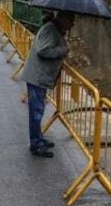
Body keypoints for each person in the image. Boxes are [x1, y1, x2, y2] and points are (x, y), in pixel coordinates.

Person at [20, 11, 75, 157]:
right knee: (36, 112)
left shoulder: (54, 29)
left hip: (40, 77)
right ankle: (36, 144)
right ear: (63, 19)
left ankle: (38, 139)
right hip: (37, 77)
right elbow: (43, 50)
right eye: (71, 20)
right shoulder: (50, 29)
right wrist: (63, 49)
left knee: (38, 111)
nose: (73, 24)